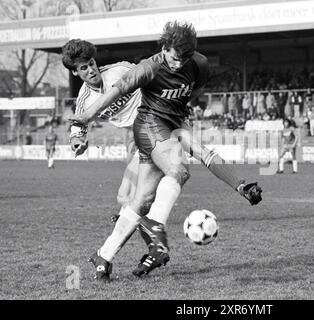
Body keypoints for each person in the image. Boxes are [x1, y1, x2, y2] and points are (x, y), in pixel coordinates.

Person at [67, 22, 262, 282]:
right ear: (76, 72)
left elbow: (193, 101)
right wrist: (79, 132)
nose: (90, 69)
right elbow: (99, 106)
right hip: (147, 130)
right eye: (83, 67)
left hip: (168, 124)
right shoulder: (132, 74)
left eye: (91, 63)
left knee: (141, 199)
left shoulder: (192, 65)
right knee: (143, 188)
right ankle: (154, 234)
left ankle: (105, 255)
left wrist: (240, 185)